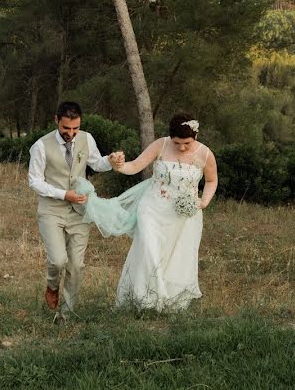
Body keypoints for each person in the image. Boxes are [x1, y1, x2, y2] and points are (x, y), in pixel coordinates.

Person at [80, 113, 218, 311]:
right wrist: (118, 166)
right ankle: (146, 299)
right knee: (148, 248)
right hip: (152, 207)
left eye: (186, 143)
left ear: (195, 136)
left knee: (177, 254)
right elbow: (135, 166)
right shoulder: (161, 145)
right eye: (177, 142)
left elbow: (212, 180)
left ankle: (170, 300)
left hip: (184, 214)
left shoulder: (205, 154)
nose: (181, 147)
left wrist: (203, 202)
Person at [28, 101, 122, 322]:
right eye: (66, 128)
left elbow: (96, 164)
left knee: (77, 265)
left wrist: (110, 160)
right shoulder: (41, 146)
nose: (71, 134)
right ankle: (52, 286)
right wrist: (63, 194)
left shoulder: (86, 139)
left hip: (80, 211)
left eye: (75, 129)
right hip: (51, 210)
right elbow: (34, 182)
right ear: (56, 120)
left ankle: (66, 314)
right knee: (58, 260)